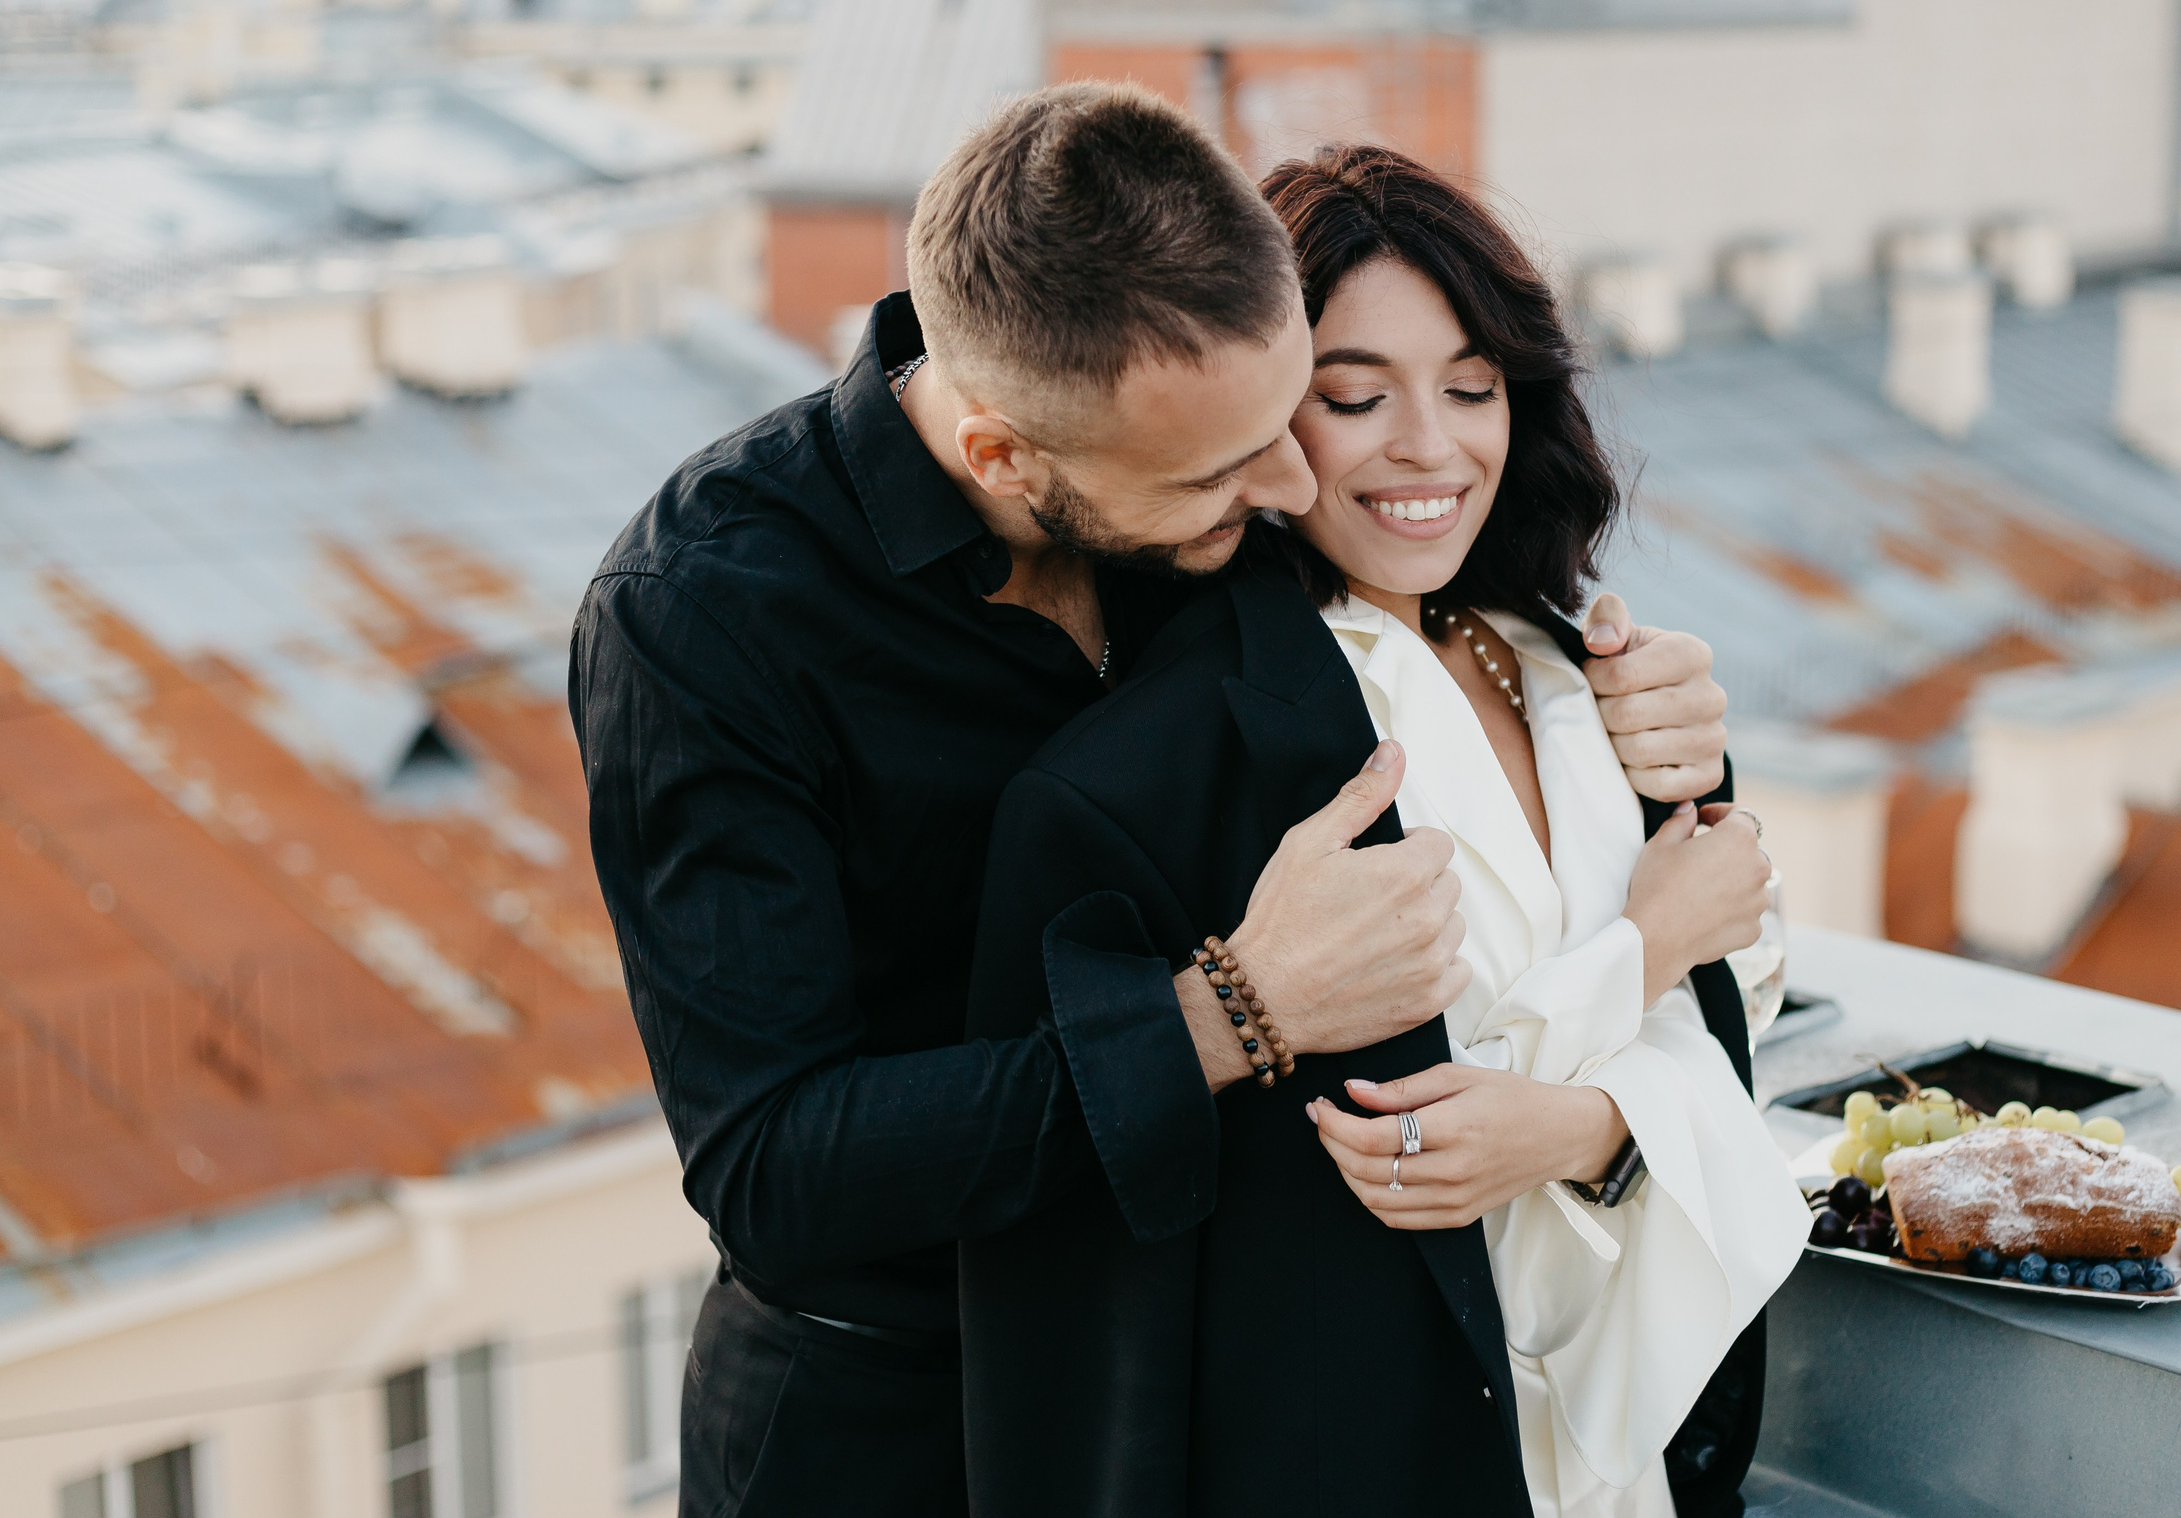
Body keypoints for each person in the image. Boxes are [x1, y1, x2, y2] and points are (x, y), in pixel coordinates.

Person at [570, 86, 1731, 1518]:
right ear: (1005, 459)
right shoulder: (703, 618)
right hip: (902, 1429)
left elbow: (1452, 618)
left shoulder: (1190, 447)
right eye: (1225, 472)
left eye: (1294, 410)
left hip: (1221, 1390)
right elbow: (776, 1170)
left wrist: (1646, 710)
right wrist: (1232, 1011)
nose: (1290, 482)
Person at [961, 144, 1807, 1518]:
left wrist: (1593, 1127)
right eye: (1354, 398)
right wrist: (1643, 957)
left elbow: (1731, 1012)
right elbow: (1373, 1144)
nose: (1429, 445)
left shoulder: (1579, 672)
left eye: (1472, 388)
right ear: (1255, 418)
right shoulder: (1157, 769)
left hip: (1615, 1471)